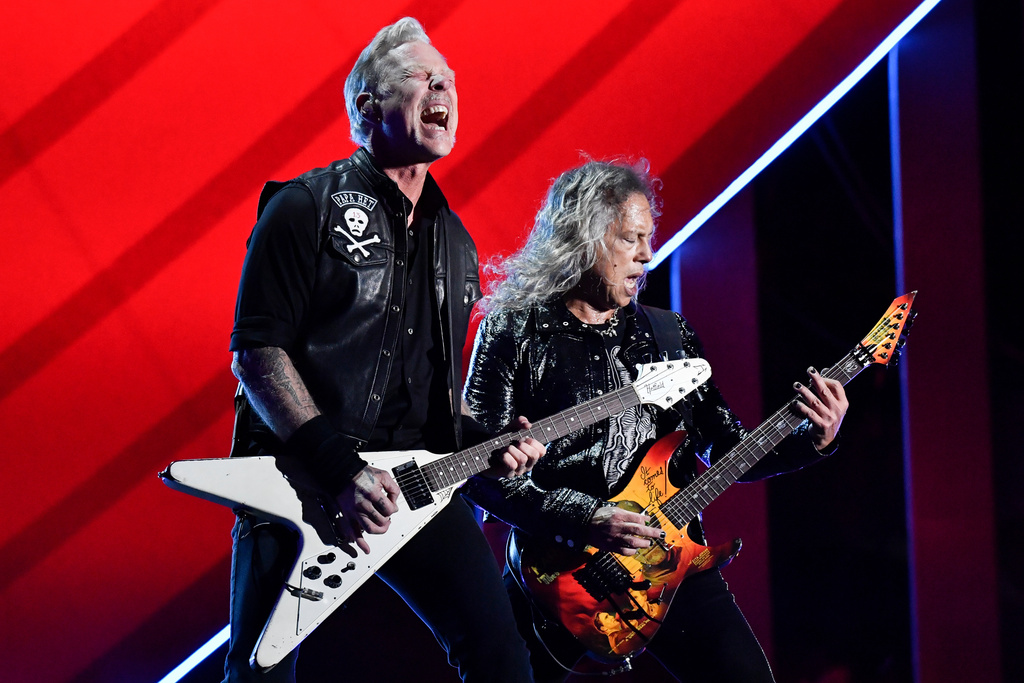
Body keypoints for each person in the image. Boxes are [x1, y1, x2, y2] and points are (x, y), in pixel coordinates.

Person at [225, 17, 544, 682]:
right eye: (425, 77)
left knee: (503, 658)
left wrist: (489, 440)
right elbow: (257, 352)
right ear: (368, 104)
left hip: (409, 485)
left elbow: (434, 404)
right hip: (300, 476)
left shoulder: (455, 244)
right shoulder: (302, 206)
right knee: (260, 671)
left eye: (452, 81)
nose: (446, 88)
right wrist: (340, 467)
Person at [462, 159, 849, 682]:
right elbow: (477, 473)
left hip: (671, 562)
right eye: (631, 239)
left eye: (650, 238)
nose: (648, 255)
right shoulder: (514, 330)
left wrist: (813, 438)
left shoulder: (669, 336)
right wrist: (587, 518)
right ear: (583, 238)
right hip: (557, 575)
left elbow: (727, 448)